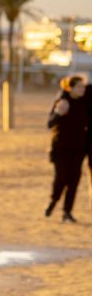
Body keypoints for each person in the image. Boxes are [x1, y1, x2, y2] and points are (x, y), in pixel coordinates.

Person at [46, 74, 88, 223]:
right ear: (71, 88)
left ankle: (67, 212)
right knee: (61, 178)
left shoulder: (85, 103)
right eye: (79, 87)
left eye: (83, 86)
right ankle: (54, 200)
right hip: (61, 148)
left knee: (74, 181)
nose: (83, 89)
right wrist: (58, 114)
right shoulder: (62, 101)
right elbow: (49, 124)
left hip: (78, 149)